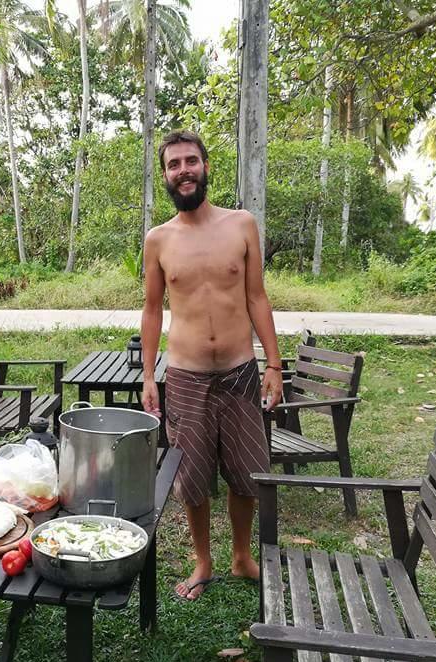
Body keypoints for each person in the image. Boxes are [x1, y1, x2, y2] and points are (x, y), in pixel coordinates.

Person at [140, 129, 283, 601]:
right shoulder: (158, 240)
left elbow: (257, 297)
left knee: (247, 473)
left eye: (190, 161)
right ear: (165, 175)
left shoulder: (242, 225)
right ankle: (204, 562)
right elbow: (152, 310)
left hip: (241, 373)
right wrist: (148, 375)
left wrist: (274, 365)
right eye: (173, 164)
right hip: (184, 376)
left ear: (205, 166)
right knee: (193, 477)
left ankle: (241, 557)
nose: (183, 170)